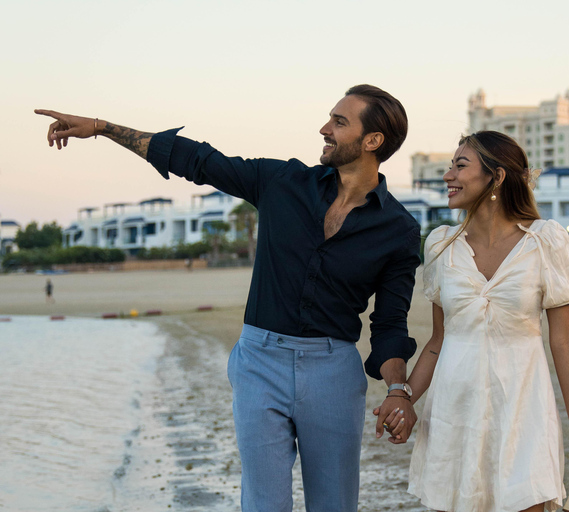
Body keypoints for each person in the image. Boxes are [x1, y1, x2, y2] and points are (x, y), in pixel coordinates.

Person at [35, 84, 421, 512]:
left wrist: (397, 389)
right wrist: (104, 128)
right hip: (260, 363)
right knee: (264, 505)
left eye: (339, 121)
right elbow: (198, 160)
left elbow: (389, 324)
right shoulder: (282, 182)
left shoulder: (398, 230)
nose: (324, 128)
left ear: (372, 141)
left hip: (332, 372)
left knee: (334, 504)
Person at [377, 131, 569, 512]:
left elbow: (564, 340)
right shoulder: (440, 245)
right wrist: (402, 396)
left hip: (523, 409)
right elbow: (439, 341)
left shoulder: (544, 241)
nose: (448, 176)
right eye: (449, 166)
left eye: (460, 165)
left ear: (497, 177)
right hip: (455, 410)